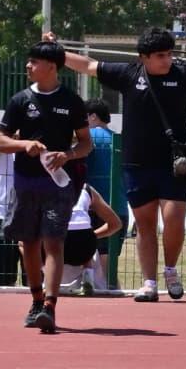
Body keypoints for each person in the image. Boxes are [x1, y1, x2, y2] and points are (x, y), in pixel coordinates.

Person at [55, 27, 186, 302]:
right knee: (145, 225)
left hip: (175, 164)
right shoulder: (128, 74)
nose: (167, 59)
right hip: (136, 163)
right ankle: (149, 282)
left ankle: (170, 269)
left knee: (173, 220)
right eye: (160, 55)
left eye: (170, 54)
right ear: (143, 57)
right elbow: (88, 65)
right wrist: (57, 53)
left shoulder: (181, 75)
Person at [0, 40, 92, 332]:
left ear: (52, 66)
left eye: (33, 61)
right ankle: (35, 300)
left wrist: (68, 154)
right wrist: (25, 144)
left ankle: (50, 305)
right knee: (29, 242)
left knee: (53, 243)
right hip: (25, 183)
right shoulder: (20, 100)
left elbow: (85, 143)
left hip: (59, 184)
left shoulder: (72, 101)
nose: (28, 66)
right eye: (29, 61)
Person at [83, 99, 121, 292]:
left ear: (93, 116)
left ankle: (93, 285)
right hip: (120, 206)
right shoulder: (118, 139)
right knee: (109, 258)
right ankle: (112, 288)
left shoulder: (87, 138)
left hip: (95, 206)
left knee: (90, 250)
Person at [58, 184, 123, 294]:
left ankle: (44, 279)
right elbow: (116, 224)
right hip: (84, 246)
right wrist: (92, 237)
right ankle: (87, 275)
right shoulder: (86, 189)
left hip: (57, 244)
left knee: (27, 242)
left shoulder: (43, 183)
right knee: (83, 230)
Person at [0, 129, 22, 287]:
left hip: (30, 217)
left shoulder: (37, 146)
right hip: (2, 217)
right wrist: (10, 135)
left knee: (34, 278)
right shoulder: (3, 148)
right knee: (4, 280)